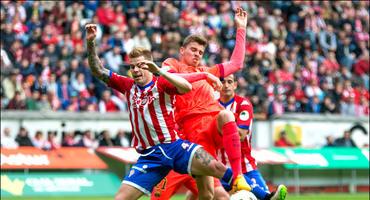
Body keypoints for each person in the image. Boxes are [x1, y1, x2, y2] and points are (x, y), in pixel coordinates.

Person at [85, 24, 246, 200]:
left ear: (149, 66)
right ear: (182, 50)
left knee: (215, 186)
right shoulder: (157, 72)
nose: (136, 70)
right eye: (133, 67)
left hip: (182, 146)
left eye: (140, 66)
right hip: (160, 150)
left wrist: (240, 28)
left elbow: (189, 84)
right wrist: (91, 43)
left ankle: (254, 191)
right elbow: (98, 71)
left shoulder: (173, 80)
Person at [151, 7, 250, 200]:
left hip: (211, 129)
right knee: (203, 195)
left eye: (200, 52)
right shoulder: (173, 64)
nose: (197, 54)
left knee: (227, 115)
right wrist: (203, 75)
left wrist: (241, 28)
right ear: (182, 50)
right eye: (193, 50)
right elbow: (165, 79)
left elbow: (236, 63)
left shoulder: (209, 71)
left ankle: (238, 176)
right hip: (186, 139)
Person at [156, 75, 288, 200]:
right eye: (223, 81)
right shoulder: (209, 104)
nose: (226, 85)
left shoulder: (242, 104)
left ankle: (264, 196)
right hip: (212, 162)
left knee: (212, 193)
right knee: (204, 193)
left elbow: (241, 135)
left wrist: (225, 127)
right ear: (216, 84)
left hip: (244, 166)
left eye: (230, 82)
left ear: (235, 85)